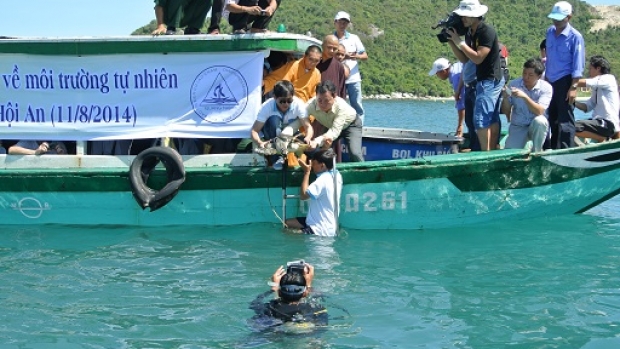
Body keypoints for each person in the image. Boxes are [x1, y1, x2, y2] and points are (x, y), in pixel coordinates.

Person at [447, 0, 503, 151]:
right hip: (482, 80)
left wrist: (460, 42)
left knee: (481, 120)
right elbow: (466, 59)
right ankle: (490, 151)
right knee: (489, 118)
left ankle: (486, 153)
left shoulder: (486, 32)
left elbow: (478, 57)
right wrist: (452, 42)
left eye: (466, 16)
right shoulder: (471, 33)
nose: (463, 19)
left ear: (475, 16)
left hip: (490, 79)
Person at [545, 1, 586, 149]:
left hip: (565, 80)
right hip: (550, 80)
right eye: (554, 18)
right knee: (552, 117)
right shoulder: (549, 32)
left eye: (560, 18)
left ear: (569, 17)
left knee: (565, 119)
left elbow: (578, 64)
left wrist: (573, 87)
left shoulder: (575, 37)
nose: (556, 21)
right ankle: (554, 149)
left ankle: (566, 150)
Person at [250, 80, 313, 168]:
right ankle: (276, 158)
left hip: (290, 136)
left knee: (312, 148)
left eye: (289, 100)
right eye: (282, 101)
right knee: (274, 119)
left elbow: (308, 127)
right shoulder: (266, 107)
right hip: (271, 137)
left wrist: (308, 138)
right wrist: (260, 143)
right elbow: (254, 131)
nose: (286, 104)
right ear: (275, 97)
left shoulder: (298, 104)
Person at [284, 148, 343, 236]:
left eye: (314, 164)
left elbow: (303, 196)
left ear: (322, 166)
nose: (312, 166)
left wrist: (306, 172)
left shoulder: (323, 180)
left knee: (288, 235)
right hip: (330, 224)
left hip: (320, 229)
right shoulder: (337, 175)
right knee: (287, 223)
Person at [250, 262, 327, 328]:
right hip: (307, 335)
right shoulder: (317, 309)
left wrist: (274, 287)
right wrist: (309, 285)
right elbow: (322, 327)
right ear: (305, 293)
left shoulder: (269, 308)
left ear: (279, 292)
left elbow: (254, 304)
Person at [500, 58, 552, 152]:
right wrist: (505, 98)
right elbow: (506, 111)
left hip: (535, 126)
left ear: (539, 76)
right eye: (524, 73)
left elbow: (539, 111)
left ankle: (537, 152)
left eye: (530, 75)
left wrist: (525, 97)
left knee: (540, 121)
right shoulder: (514, 84)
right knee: (510, 153)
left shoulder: (546, 88)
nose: (526, 77)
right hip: (519, 126)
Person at [306, 81, 364, 162]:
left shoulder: (341, 106)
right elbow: (299, 119)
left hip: (351, 125)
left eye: (326, 101)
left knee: (355, 153)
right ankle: (324, 172)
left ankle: (363, 171)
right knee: (321, 152)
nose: (323, 104)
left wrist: (316, 141)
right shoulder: (310, 105)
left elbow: (335, 132)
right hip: (330, 126)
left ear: (334, 96)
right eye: (319, 100)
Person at [573, 55, 620, 142]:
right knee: (570, 126)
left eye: (590, 69)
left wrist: (569, 82)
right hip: (598, 122)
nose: (589, 71)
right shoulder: (597, 87)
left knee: (573, 127)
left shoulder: (609, 78)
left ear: (598, 68)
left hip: (608, 123)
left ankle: (601, 137)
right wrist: (573, 102)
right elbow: (587, 107)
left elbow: (587, 83)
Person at [334, 11, 368, 124]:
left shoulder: (354, 38)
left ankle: (359, 129)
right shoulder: (331, 39)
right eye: (340, 22)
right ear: (335, 23)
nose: (343, 25)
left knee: (357, 105)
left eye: (345, 23)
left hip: (353, 78)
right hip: (337, 78)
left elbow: (364, 56)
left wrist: (353, 56)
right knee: (337, 105)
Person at [429, 58, 466, 137]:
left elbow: (461, 104)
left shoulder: (456, 77)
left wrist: (460, 126)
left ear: (444, 71)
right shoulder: (456, 66)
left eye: (437, 73)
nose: (436, 75)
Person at [317, 35, 347, 100]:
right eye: (329, 47)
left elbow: (342, 90)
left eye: (335, 48)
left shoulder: (339, 67)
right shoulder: (314, 62)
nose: (332, 51)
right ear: (323, 46)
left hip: (332, 103)